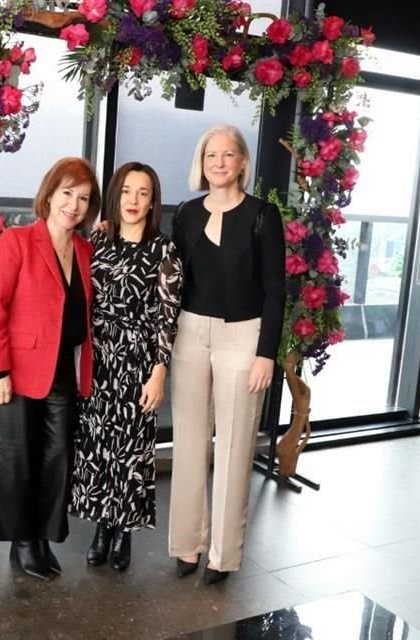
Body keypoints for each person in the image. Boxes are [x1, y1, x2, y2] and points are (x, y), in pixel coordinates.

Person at [168, 124, 285, 585]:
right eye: (210, 154)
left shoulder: (262, 215)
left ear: (242, 163)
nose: (218, 162)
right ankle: (187, 546)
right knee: (191, 443)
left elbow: (276, 290)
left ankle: (223, 555)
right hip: (191, 333)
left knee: (235, 446)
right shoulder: (185, 214)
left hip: (244, 336)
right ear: (202, 162)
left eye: (228, 154)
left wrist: (266, 354)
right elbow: (169, 276)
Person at [0, 157, 101, 581]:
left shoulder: (86, 249)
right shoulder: (17, 241)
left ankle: (44, 536)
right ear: (49, 194)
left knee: (57, 457)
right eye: (67, 193)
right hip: (16, 369)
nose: (74, 204)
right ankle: (23, 542)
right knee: (17, 459)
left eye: (83, 198)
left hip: (63, 369)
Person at [70, 162, 183, 572]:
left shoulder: (163, 249)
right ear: (115, 195)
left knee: (132, 449)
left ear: (153, 201)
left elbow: (167, 316)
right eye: (127, 191)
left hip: (138, 359)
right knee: (98, 445)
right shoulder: (96, 242)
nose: (133, 201)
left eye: (143, 193)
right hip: (98, 356)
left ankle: (124, 533)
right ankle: (102, 526)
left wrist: (159, 371)